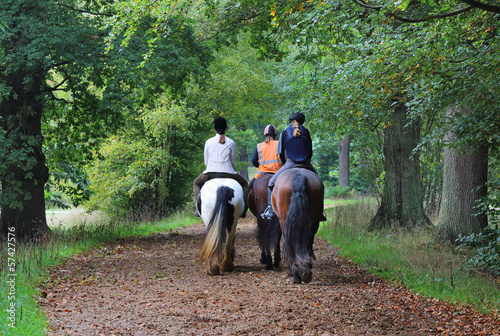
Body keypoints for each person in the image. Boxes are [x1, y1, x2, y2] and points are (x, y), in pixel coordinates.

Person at [261, 112, 322, 220]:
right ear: (302, 122)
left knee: (271, 183)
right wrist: (306, 162)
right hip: (306, 163)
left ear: (290, 121)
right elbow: (310, 151)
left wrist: (285, 164)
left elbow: (280, 153)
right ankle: (319, 212)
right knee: (320, 185)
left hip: (289, 164)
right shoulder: (306, 132)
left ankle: (270, 210)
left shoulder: (284, 133)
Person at [193, 117, 248, 218]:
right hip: (228, 172)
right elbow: (233, 163)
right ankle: (244, 210)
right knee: (245, 184)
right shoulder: (231, 142)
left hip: (210, 173)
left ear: (214, 129)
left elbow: (206, 162)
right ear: (225, 128)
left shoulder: (208, 142)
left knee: (196, 183)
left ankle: (197, 209)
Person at [247, 124, 282, 193]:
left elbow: (254, 161)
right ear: (275, 135)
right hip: (277, 173)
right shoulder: (279, 144)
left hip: (261, 174)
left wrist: (260, 165)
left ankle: (246, 203)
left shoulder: (259, 146)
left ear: (265, 135)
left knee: (249, 189)